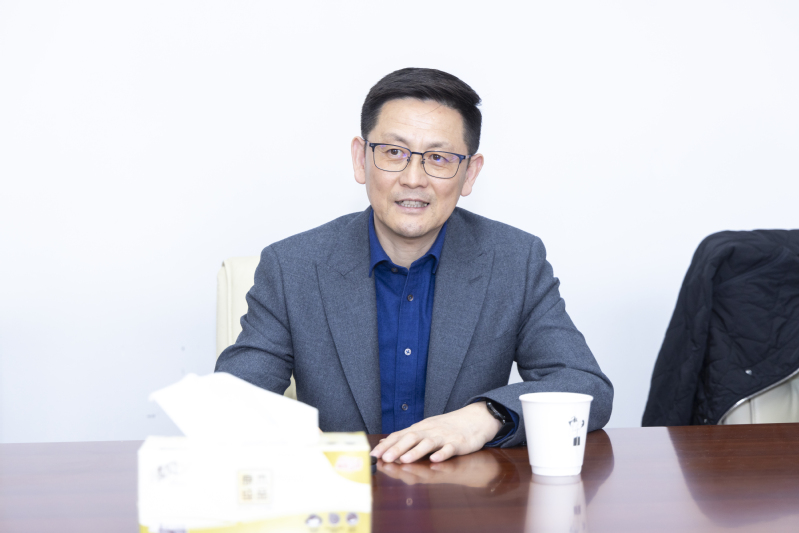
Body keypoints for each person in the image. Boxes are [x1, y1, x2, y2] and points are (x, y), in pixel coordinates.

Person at [215, 67, 613, 464]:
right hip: (345, 493)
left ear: (470, 173)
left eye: (438, 158)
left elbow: (585, 386)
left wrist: (485, 416)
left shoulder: (515, 261)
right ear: (360, 159)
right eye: (394, 152)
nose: (413, 178)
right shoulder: (292, 267)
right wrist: (289, 435)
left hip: (464, 495)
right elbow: (231, 398)